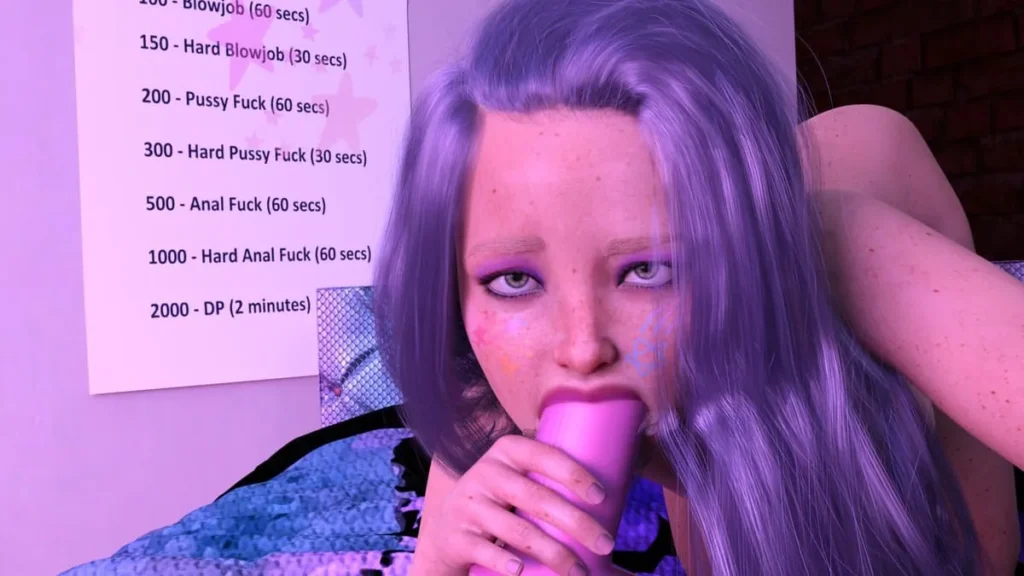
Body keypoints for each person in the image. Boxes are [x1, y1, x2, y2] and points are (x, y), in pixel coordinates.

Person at [371, 0, 1022, 574]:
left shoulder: (833, 245)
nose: (582, 349)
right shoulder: (488, 404)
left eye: (647, 270)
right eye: (514, 280)